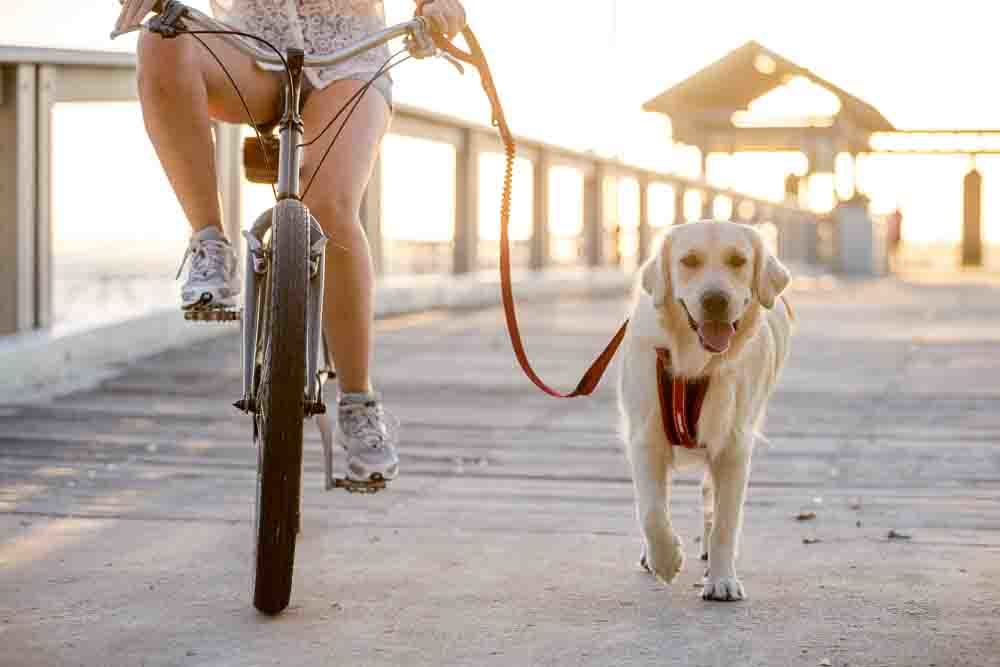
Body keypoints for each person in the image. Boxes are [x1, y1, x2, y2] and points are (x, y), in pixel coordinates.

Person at [113, 0, 467, 482]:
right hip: (249, 49)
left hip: (353, 58)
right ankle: (210, 243)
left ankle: (358, 401)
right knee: (160, 40)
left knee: (328, 206)